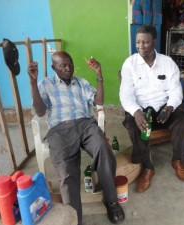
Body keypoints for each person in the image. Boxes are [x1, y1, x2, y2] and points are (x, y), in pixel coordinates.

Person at [27, 51, 125, 224]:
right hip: (59, 129)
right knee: (66, 171)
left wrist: (99, 75)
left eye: (70, 64)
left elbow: (99, 101)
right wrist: (33, 83)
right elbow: (40, 111)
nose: (68, 68)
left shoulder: (81, 82)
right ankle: (74, 218)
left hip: (85, 124)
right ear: (53, 67)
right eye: (62, 65)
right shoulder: (46, 84)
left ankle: (111, 201)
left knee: (103, 149)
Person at [119, 25, 184, 193]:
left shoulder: (167, 63)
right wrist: (136, 112)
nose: (141, 45)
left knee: (183, 120)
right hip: (142, 109)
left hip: (164, 107)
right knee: (132, 123)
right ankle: (147, 166)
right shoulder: (130, 64)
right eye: (138, 42)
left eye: (145, 42)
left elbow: (176, 91)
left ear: (154, 42)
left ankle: (177, 160)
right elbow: (125, 95)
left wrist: (170, 107)